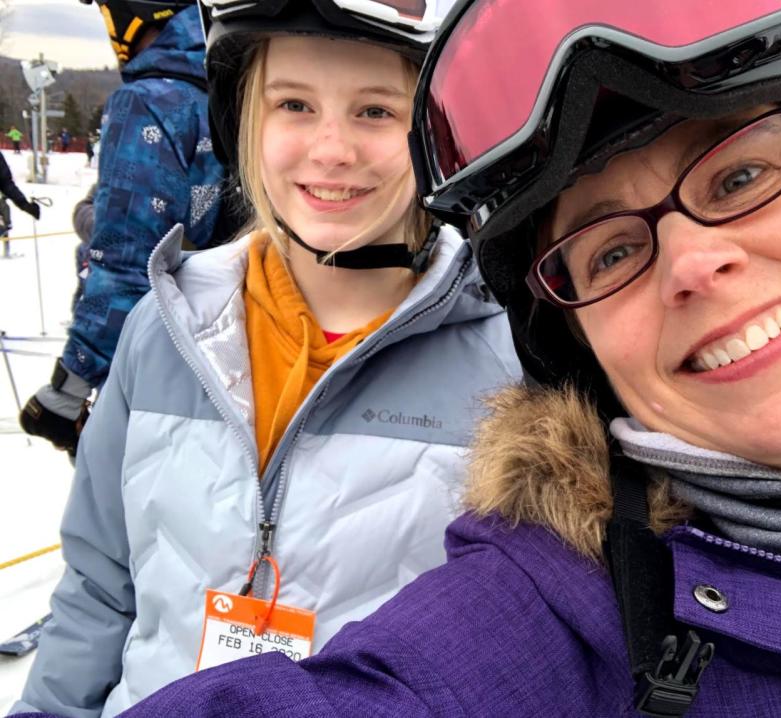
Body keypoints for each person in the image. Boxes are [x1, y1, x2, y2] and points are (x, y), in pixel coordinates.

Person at [34, 1, 781, 716]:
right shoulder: (562, 592)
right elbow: (99, 587)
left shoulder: (496, 365)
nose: (694, 261)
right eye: (612, 250)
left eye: (743, 175)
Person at [9, 1, 517, 716]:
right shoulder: (166, 329)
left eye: (374, 111)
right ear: (246, 119)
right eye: (295, 105)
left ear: (432, 132)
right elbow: (99, 587)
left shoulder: (509, 357)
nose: (331, 148)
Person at [18, 0, 232, 457]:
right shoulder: (222, 94)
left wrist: (69, 387)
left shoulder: (151, 100)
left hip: (152, 358)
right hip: (219, 352)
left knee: (120, 512)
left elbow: (128, 255)